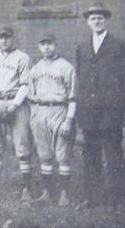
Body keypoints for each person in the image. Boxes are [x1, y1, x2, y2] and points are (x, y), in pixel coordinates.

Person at [76, 2, 125, 208]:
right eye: (93, 18)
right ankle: (91, 198)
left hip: (110, 114)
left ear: (106, 20)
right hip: (89, 114)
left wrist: (116, 110)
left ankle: (118, 199)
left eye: (100, 17)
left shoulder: (119, 45)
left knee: (113, 156)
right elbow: (81, 81)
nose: (97, 21)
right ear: (88, 22)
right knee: (90, 156)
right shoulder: (82, 47)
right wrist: (81, 110)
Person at [0, 25, 33, 200]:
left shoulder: (23, 58)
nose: (4, 40)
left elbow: (25, 85)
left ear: (13, 38)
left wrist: (14, 105)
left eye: (7, 37)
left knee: (22, 144)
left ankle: (27, 188)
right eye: (1, 37)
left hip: (16, 102)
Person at [27, 33, 76, 206]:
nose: (46, 47)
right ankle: (47, 192)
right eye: (43, 44)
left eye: (49, 43)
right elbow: (31, 96)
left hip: (59, 111)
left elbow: (73, 97)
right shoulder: (35, 68)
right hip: (40, 112)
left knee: (62, 155)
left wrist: (69, 120)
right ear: (39, 47)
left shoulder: (66, 67)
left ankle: (64, 194)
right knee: (44, 155)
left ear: (56, 45)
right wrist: (34, 117)